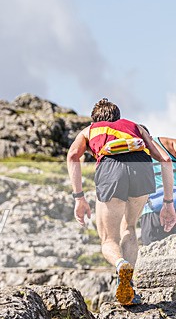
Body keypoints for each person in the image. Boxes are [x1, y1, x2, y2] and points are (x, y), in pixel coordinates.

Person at [67, 98, 176, 305]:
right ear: (117, 116)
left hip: (111, 169)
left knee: (108, 239)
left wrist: (79, 197)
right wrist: (168, 203)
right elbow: (166, 159)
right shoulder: (136, 127)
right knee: (130, 227)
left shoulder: (90, 130)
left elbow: (73, 155)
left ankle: (120, 264)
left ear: (95, 119)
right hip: (142, 170)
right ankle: (130, 286)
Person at [140, 135, 176, 245]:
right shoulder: (165, 143)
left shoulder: (127, 152)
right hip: (172, 200)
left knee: (153, 256)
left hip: (151, 210)